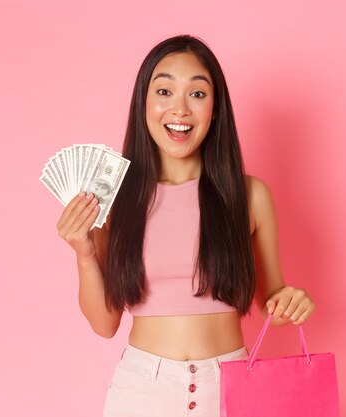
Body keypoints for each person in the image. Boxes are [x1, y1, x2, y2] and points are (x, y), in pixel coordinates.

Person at [56, 35, 315, 417]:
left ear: (215, 109)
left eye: (197, 94)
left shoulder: (250, 195)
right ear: (144, 103)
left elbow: (271, 302)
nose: (179, 109)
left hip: (231, 387)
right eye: (164, 90)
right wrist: (84, 252)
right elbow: (104, 323)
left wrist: (291, 302)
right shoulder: (115, 199)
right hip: (142, 391)